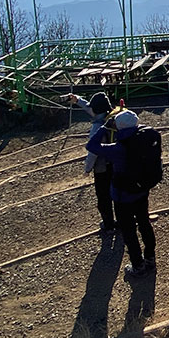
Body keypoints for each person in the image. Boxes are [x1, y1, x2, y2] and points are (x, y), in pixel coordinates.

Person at [86, 109, 156, 278]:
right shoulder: (145, 140)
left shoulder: (117, 148)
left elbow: (91, 146)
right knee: (144, 223)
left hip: (122, 196)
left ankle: (137, 264)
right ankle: (150, 257)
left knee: (129, 230)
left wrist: (104, 127)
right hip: (141, 190)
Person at [67, 91, 117, 232]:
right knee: (118, 192)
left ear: (95, 109)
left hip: (103, 167)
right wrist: (78, 100)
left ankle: (109, 224)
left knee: (103, 197)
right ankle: (122, 220)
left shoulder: (97, 127)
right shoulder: (111, 116)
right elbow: (92, 109)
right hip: (117, 162)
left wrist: (87, 169)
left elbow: (93, 152)